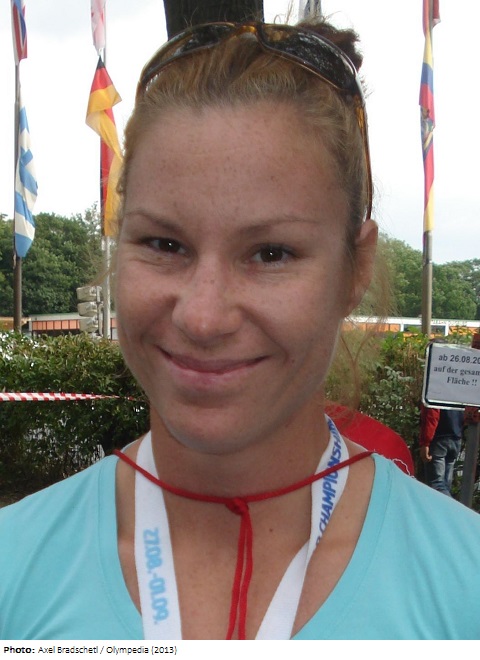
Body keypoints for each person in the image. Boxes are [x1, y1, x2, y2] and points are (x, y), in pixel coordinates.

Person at [1, 19, 480, 641]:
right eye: (164, 243)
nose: (203, 317)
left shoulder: (463, 588)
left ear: (355, 268)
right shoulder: (14, 567)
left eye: (271, 253)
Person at [420, 404, 464, 496]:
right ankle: (447, 502)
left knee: (437, 484)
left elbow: (432, 415)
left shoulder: (437, 395)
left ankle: (448, 504)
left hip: (439, 439)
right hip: (456, 438)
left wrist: (426, 442)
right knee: (445, 485)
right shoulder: (460, 395)